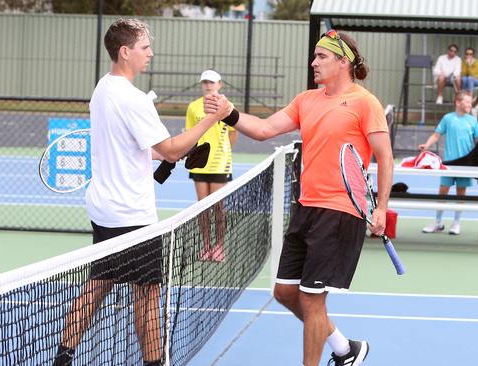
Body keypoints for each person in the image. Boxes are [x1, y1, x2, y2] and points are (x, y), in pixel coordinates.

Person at [205, 29, 393, 366]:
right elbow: (263, 130)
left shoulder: (365, 103)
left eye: (321, 56)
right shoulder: (307, 100)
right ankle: (345, 348)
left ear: (343, 61)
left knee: (312, 299)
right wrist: (229, 112)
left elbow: (385, 156)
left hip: (340, 211)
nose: (313, 62)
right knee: (284, 292)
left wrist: (381, 207)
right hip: (306, 208)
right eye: (315, 56)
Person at [53, 18, 231, 366]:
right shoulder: (134, 99)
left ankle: (63, 357)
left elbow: (137, 147)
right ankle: (153, 363)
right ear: (125, 52)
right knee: (148, 294)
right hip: (132, 215)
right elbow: (172, 150)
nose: (150, 53)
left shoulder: (102, 88)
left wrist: (162, 152)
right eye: (144, 47)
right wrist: (214, 117)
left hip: (104, 208)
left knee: (98, 282)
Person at [185, 69, 238, 262]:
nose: (208, 85)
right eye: (205, 82)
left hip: (219, 165)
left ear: (220, 84)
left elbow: (233, 132)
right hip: (199, 165)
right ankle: (206, 246)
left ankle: (219, 247)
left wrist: (223, 152)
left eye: (212, 82)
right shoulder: (193, 107)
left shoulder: (227, 106)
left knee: (219, 208)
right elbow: (191, 134)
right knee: (202, 208)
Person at [418, 90, 478, 235]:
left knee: (461, 193)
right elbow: (436, 135)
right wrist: (426, 145)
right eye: (467, 101)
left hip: (465, 164)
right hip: (448, 163)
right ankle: (438, 222)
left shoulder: (472, 121)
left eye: (470, 102)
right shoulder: (448, 118)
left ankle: (456, 223)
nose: (469, 104)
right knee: (443, 192)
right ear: (458, 102)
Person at [461, 47, 478, 117]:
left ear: (473, 55)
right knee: (465, 79)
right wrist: (466, 64)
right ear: (465, 55)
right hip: (468, 80)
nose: (469, 55)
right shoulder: (463, 62)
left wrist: (469, 65)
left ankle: (470, 100)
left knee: (469, 78)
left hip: (477, 80)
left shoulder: (476, 61)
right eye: (467, 54)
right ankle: (466, 100)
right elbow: (464, 73)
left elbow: (473, 73)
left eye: (470, 54)